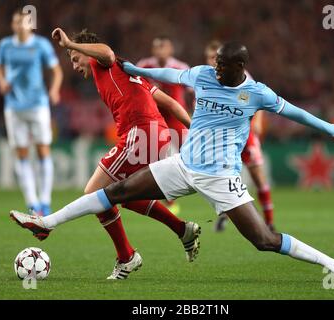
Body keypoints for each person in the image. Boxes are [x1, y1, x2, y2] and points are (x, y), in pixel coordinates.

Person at [10, 42, 334, 283]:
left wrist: (329, 128)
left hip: (221, 177)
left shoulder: (258, 93)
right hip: (182, 165)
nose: (215, 69)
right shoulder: (203, 75)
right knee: (116, 191)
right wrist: (131, 68)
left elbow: (295, 112)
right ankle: (46, 221)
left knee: (264, 240)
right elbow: (168, 75)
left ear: (240, 67)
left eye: (222, 66)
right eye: (215, 64)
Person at [11, 28, 200, 280]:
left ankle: (124, 255)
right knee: (123, 195)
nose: (75, 65)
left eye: (74, 58)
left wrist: (70, 43)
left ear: (85, 51)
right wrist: (193, 128)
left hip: (140, 132)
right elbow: (171, 103)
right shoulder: (129, 74)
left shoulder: (105, 64)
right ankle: (181, 229)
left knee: (94, 193)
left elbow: (107, 53)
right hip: (155, 134)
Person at [0, 9, 63, 216]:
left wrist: (54, 89)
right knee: (22, 153)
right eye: (16, 22)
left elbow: (56, 70)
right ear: (13, 25)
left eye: (24, 22)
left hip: (38, 104)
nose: (20, 26)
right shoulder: (5, 45)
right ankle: (32, 202)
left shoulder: (40, 44)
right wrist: (2, 81)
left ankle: (45, 200)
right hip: (13, 106)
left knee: (43, 150)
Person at [205, 40, 275, 231]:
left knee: (258, 177)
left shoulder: (241, 77)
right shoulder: (207, 78)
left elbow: (255, 97)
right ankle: (224, 214)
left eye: (216, 57)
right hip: (222, 138)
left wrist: (257, 120)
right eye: (210, 57)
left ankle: (269, 221)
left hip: (245, 135)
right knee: (221, 178)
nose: (213, 61)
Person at [136, 36, 191, 215]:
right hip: (155, 117)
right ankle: (169, 200)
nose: (160, 50)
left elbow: (195, 91)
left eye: (163, 47)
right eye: (156, 47)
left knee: (192, 153)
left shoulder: (181, 68)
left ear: (170, 49)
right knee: (157, 157)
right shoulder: (144, 66)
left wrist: (195, 111)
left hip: (176, 116)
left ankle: (209, 188)